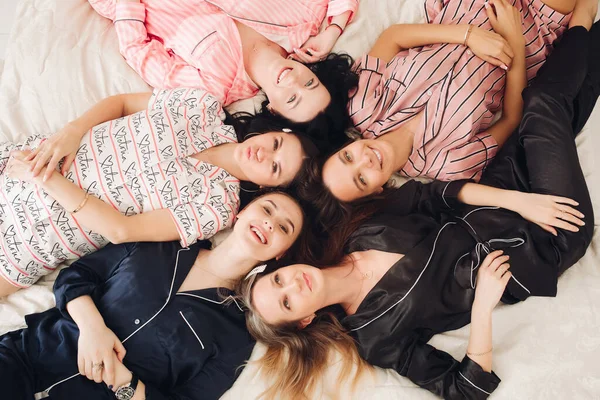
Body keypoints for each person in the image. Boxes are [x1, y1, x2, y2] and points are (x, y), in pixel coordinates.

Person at [240, 8, 599, 399]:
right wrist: (482, 307)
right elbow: (464, 390)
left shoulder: (356, 234)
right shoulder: (375, 337)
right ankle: (585, 13)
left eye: (278, 280)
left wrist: (519, 200)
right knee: (544, 104)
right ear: (305, 321)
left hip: (500, 191)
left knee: (553, 104)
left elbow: (440, 193)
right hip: (536, 242)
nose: (291, 284)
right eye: (287, 301)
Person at [0, 87, 316, 297]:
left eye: (274, 167)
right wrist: (72, 131)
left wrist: (45, 181)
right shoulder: (201, 107)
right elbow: (122, 103)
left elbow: (121, 230)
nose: (264, 153)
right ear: (275, 131)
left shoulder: (218, 205)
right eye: (276, 144)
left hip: (29, 240)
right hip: (22, 162)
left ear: (268, 188)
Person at [0, 190, 307, 400]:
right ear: (240, 213)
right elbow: (76, 276)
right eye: (267, 209)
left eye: (284, 227)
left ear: (281, 254)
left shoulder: (237, 337)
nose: (270, 222)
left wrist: (122, 381)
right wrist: (94, 330)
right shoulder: (157, 244)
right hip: (26, 357)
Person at [320, 0, 578, 203]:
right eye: (362, 179)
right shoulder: (450, 165)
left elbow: (393, 37)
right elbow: (513, 119)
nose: (364, 160)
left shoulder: (363, 106)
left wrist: (469, 35)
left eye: (348, 157)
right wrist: (515, 39)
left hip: (468, 7)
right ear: (377, 191)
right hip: (531, 29)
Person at [87, 0, 359, 127]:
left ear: (274, 110)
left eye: (292, 100)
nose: (294, 82)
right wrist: (333, 28)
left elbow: (137, 50)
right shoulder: (302, 20)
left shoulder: (214, 87)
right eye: (310, 83)